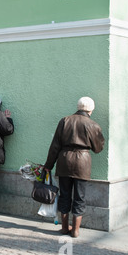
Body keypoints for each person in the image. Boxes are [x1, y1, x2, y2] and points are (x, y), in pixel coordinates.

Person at [44, 97, 104, 238]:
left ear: (78, 107)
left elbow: (55, 146)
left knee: (64, 194)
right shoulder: (93, 124)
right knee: (80, 196)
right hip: (82, 162)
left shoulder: (64, 121)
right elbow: (98, 148)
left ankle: (64, 228)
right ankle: (76, 230)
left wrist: (48, 165)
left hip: (64, 160)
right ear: (91, 109)